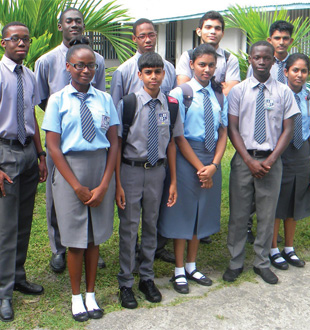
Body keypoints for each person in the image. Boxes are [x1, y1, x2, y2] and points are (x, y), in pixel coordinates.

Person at [0, 22, 48, 322]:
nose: (22, 44)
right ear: (3, 42)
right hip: (4, 152)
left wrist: (41, 155)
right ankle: (3, 292)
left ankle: (18, 276)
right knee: (7, 229)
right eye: (15, 39)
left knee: (24, 222)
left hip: (29, 154)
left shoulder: (29, 77)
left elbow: (30, 115)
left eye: (26, 39)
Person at [41, 43, 119, 322]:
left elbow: (113, 142)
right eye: (79, 65)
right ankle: (76, 298)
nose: (86, 70)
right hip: (69, 170)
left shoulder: (104, 99)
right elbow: (53, 147)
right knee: (75, 240)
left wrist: (105, 182)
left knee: (95, 237)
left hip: (99, 168)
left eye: (91, 66)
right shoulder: (58, 100)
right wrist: (75, 185)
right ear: (68, 67)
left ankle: (91, 294)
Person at [34, 8, 107, 273]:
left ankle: (90, 245)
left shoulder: (95, 59)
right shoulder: (46, 61)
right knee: (58, 194)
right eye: (69, 21)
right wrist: (63, 118)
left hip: (90, 136)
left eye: (78, 21)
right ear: (60, 25)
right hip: (60, 133)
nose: (74, 25)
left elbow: (100, 96)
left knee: (93, 191)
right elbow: (41, 97)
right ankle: (59, 248)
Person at [223, 41, 299, 285]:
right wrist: (247, 160)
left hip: (271, 161)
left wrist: (271, 159)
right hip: (244, 161)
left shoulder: (284, 92)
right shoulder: (238, 91)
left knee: (267, 215)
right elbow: (232, 127)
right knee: (238, 214)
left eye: (267, 58)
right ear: (250, 59)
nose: (262, 62)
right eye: (257, 57)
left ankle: (261, 263)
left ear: (274, 61)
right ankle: (235, 262)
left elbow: (289, 129)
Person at [158, 43, 228, 294]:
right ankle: (178, 271)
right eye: (202, 65)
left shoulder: (219, 95)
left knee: (202, 213)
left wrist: (214, 165)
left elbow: (223, 131)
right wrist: (201, 168)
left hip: (211, 159)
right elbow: (178, 137)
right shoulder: (180, 93)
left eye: (211, 65)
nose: (207, 70)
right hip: (187, 160)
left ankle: (191, 265)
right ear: (191, 65)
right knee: (183, 213)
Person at [115, 52, 182, 308]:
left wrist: (173, 180)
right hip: (131, 171)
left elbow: (173, 144)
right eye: (148, 72)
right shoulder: (128, 103)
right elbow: (117, 145)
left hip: (158, 172)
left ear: (164, 74)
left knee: (151, 225)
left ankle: (147, 278)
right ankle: (125, 282)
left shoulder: (172, 105)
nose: (154, 77)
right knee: (129, 227)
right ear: (140, 75)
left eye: (158, 72)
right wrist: (118, 183)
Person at [110, 17, 177, 264]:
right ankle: (130, 263)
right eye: (142, 35)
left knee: (153, 213)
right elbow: (116, 115)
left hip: (158, 152)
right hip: (131, 157)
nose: (148, 39)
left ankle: (151, 255)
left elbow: (170, 106)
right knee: (130, 219)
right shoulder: (123, 72)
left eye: (151, 34)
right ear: (134, 38)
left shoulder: (168, 68)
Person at [269, 53, 310, 270]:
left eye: (304, 71)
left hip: (302, 154)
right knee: (277, 201)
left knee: (295, 201)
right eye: (295, 70)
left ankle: (289, 248)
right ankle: (272, 249)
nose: (299, 75)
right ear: (286, 72)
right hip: (282, 152)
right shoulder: (277, 94)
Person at [176, 10, 240, 96]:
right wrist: (219, 86)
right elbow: (184, 89)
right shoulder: (187, 56)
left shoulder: (229, 59)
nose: (213, 31)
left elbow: (230, 91)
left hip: (219, 108)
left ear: (222, 33)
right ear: (199, 31)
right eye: (208, 27)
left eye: (217, 28)